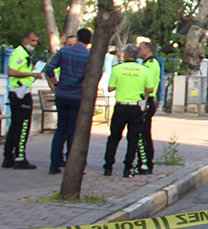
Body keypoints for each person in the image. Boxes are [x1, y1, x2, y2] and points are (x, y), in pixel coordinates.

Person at [44, 28, 92, 175]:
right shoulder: (89, 56)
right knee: (74, 130)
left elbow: (49, 68)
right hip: (77, 96)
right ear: (89, 41)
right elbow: (96, 74)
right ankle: (72, 164)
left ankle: (54, 164)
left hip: (62, 94)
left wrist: (56, 83)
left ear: (77, 38)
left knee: (60, 129)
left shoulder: (64, 52)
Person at [103, 44, 153, 177]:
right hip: (135, 107)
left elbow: (110, 88)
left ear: (126, 54)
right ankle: (127, 167)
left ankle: (108, 166)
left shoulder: (117, 69)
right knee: (133, 138)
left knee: (114, 137)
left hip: (120, 106)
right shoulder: (144, 70)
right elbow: (150, 89)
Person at [3, 30, 42, 169]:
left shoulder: (25, 54)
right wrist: (30, 73)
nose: (34, 44)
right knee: (23, 125)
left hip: (20, 90)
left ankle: (8, 156)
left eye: (36, 41)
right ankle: (19, 157)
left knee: (15, 125)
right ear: (25, 39)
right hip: (20, 93)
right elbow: (11, 72)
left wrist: (32, 75)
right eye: (32, 41)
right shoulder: (20, 53)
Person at [136, 41, 160, 174]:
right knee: (142, 132)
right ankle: (143, 161)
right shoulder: (146, 63)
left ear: (147, 49)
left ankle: (146, 163)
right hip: (146, 100)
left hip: (147, 100)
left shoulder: (150, 64)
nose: (139, 51)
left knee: (144, 133)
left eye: (140, 49)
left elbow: (147, 85)